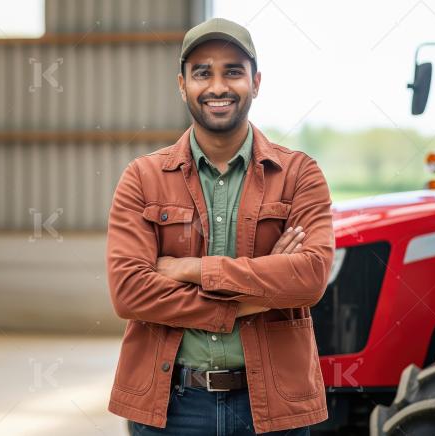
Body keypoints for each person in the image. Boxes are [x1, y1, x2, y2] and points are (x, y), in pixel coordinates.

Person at [105, 17, 335, 435]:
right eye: (202, 73)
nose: (217, 86)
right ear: (182, 85)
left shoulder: (300, 174)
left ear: (256, 81)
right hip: (171, 408)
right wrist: (253, 300)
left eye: (233, 71)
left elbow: (310, 278)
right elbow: (129, 291)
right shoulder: (142, 177)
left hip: (273, 408)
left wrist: (192, 269)